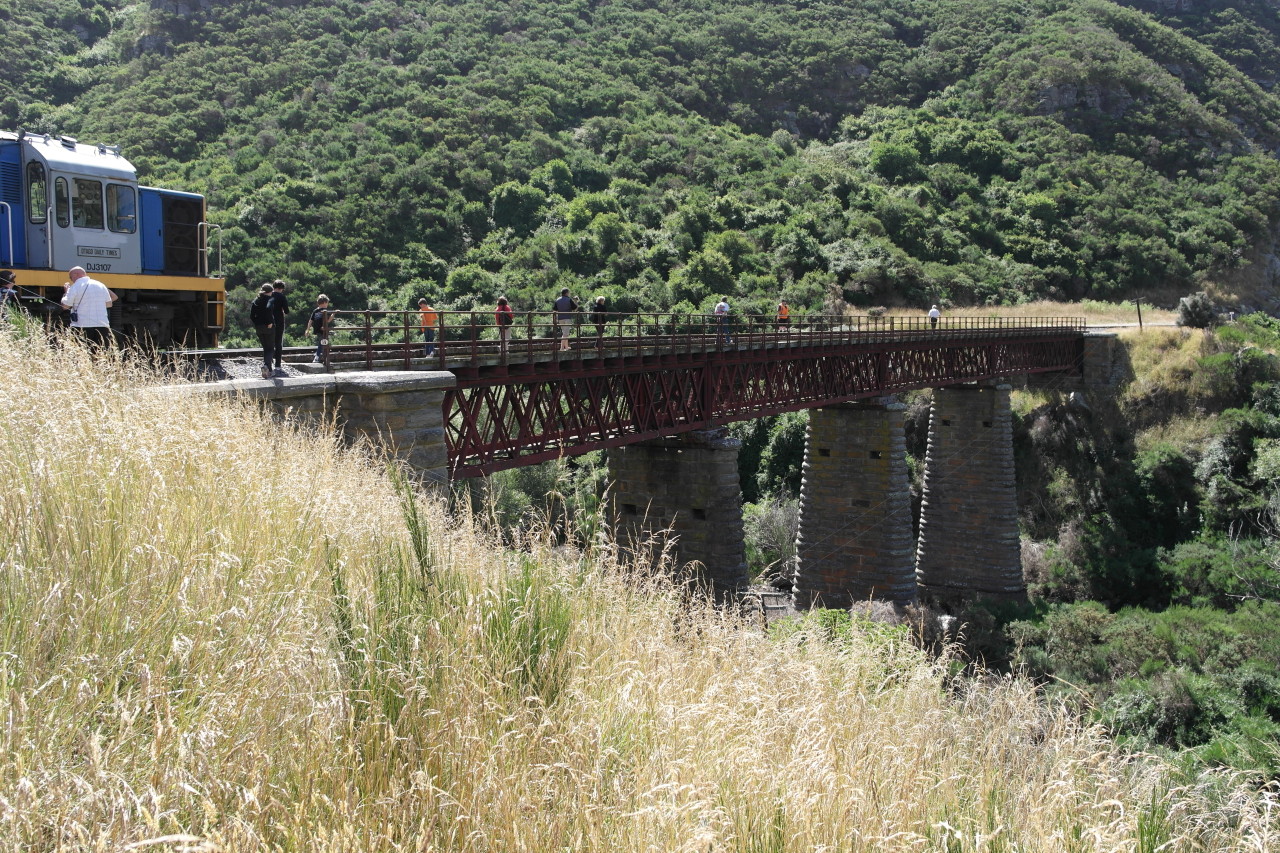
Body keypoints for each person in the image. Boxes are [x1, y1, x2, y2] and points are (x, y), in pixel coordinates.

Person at [61, 265, 118, 346]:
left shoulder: (75, 286)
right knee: (100, 355)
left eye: (70, 277)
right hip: (102, 326)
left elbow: (65, 306)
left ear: (75, 274)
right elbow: (109, 304)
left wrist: (66, 292)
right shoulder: (100, 285)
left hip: (82, 326)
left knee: (82, 354)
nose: (71, 280)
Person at [249, 283, 275, 378]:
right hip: (268, 326)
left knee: (265, 348)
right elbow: (268, 310)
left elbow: (252, 316)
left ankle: (269, 370)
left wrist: (257, 323)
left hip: (258, 327)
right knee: (270, 348)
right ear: (270, 292)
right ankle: (266, 366)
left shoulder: (256, 300)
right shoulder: (270, 299)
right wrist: (270, 322)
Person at [303, 295, 331, 363]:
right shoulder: (325, 310)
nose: (327, 304)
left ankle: (322, 356)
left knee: (323, 342)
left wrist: (307, 329)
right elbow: (328, 320)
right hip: (322, 329)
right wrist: (333, 314)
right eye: (327, 303)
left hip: (318, 329)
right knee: (323, 343)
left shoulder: (315, 310)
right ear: (324, 302)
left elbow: (310, 320)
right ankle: (317, 356)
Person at [268, 279, 289, 370]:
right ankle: (278, 364)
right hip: (279, 321)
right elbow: (287, 311)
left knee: (269, 342)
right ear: (281, 288)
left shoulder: (269, 296)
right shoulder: (282, 297)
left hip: (268, 321)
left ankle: (268, 361)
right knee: (278, 342)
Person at [553, 287, 577, 352]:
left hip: (560, 318)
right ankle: (561, 348)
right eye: (568, 292)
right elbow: (575, 308)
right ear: (566, 293)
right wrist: (576, 301)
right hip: (567, 318)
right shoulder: (569, 299)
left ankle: (566, 347)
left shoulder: (557, 300)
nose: (569, 294)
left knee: (564, 332)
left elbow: (554, 310)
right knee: (566, 334)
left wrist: (555, 318)